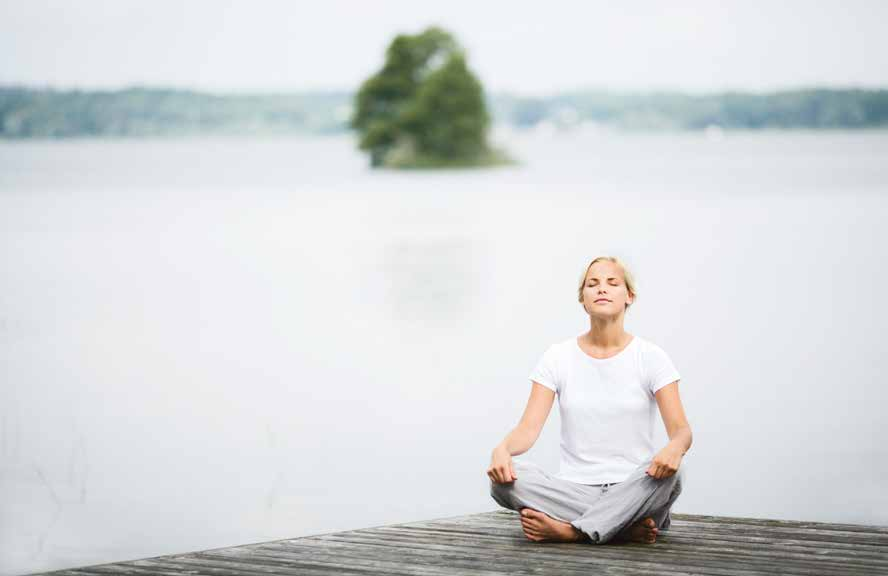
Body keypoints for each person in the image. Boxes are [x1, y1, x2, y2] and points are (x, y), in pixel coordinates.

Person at [488, 256, 692, 545]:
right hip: (574, 489)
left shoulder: (651, 357)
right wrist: (502, 449)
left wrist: (674, 448)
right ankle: (621, 528)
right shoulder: (557, 357)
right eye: (592, 284)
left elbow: (682, 431)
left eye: (612, 283)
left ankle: (573, 531)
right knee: (503, 482)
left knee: (676, 472)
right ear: (583, 299)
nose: (602, 289)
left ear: (629, 296)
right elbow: (528, 429)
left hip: (636, 485)